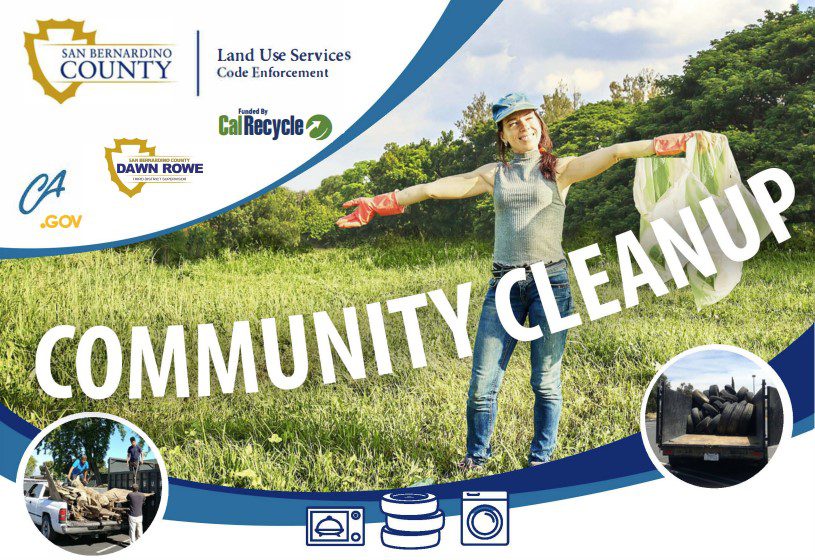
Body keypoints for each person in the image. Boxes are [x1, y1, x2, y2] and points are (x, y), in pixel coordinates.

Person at [336, 91, 700, 469]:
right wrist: (378, 203)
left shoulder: (560, 170)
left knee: (545, 383)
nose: (523, 126)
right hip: (504, 287)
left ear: (540, 126)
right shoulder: (495, 175)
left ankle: (540, 461)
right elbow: (432, 188)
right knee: (482, 385)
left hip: (550, 286)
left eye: (529, 119)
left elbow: (616, 152)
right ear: (504, 135)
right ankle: (476, 458)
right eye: (513, 123)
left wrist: (672, 143)